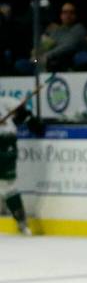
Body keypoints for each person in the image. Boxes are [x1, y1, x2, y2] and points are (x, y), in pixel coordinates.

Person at [0, 95, 45, 235]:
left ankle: (21, 221)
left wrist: (22, 113)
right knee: (7, 186)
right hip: (8, 142)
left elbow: (21, 111)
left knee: (7, 185)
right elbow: (20, 109)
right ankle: (22, 222)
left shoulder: (3, 101)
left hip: (5, 142)